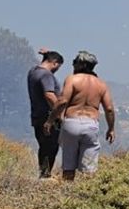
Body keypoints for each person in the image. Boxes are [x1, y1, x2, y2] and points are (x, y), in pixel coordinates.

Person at [47, 50, 115, 181]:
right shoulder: (101, 84)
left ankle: (67, 195)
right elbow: (109, 109)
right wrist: (111, 128)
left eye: (74, 63)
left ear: (81, 65)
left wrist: (50, 120)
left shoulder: (72, 79)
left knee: (68, 166)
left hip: (71, 123)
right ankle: (85, 197)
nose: (72, 65)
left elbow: (62, 101)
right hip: (91, 125)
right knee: (89, 170)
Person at [27, 49, 63, 178]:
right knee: (51, 147)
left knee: (43, 147)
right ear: (54, 63)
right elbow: (49, 95)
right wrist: (58, 114)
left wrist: (47, 53)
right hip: (48, 118)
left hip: (37, 116)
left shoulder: (33, 72)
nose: (57, 70)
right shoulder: (46, 75)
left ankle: (43, 174)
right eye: (58, 66)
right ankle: (45, 175)